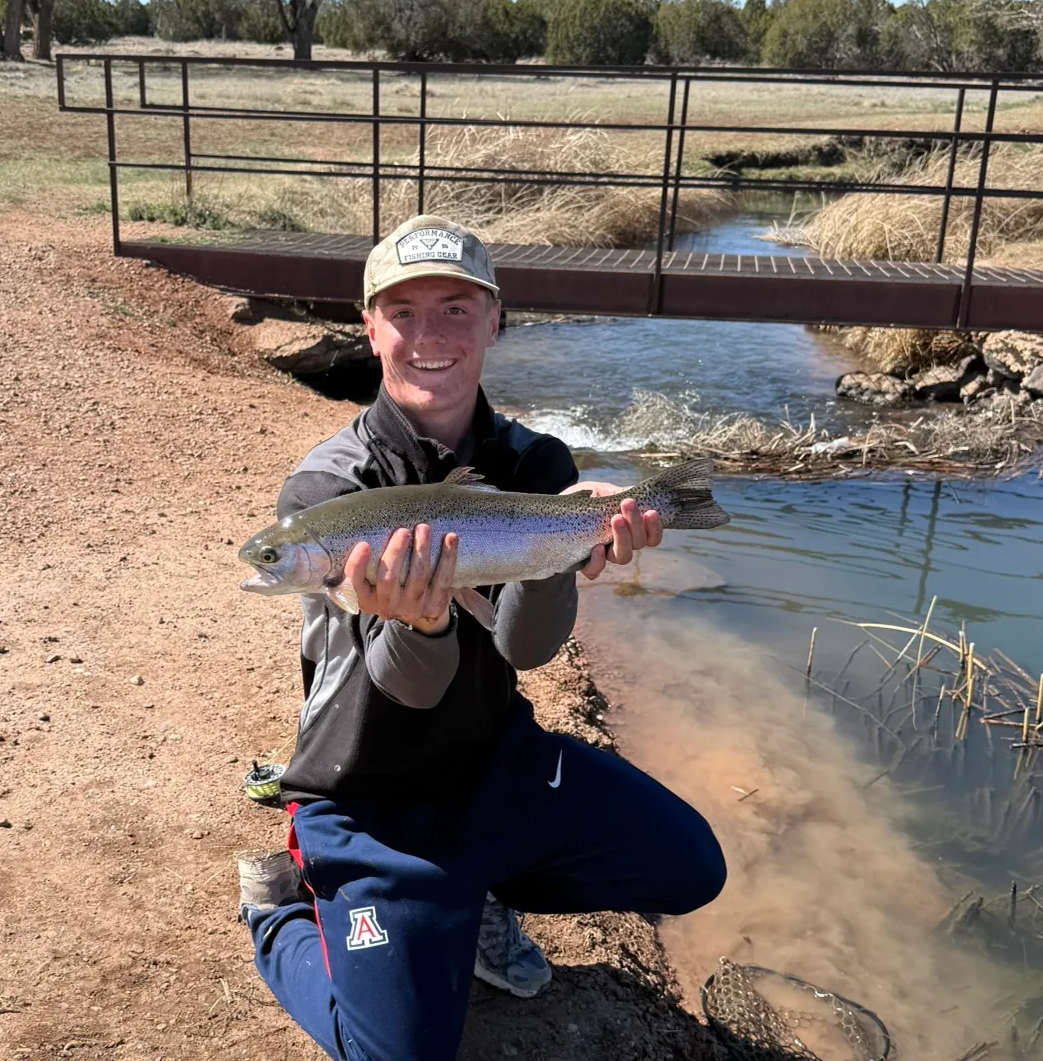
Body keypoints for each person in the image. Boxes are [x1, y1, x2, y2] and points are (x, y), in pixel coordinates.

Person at [236, 215, 726, 1061]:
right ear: (369, 326)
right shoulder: (330, 489)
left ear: (496, 319)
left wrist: (573, 543)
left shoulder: (536, 461)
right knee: (398, 1054)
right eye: (404, 311)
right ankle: (280, 907)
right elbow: (409, 690)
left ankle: (474, 892)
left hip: (492, 762)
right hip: (368, 793)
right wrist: (423, 618)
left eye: (456, 308)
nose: (430, 334)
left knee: (691, 866)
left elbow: (526, 651)